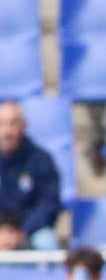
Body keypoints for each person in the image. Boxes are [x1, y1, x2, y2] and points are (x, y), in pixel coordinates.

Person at [0, 101, 62, 252]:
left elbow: (49, 204)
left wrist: (22, 232)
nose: (7, 132)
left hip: (30, 230)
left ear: (23, 125)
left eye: (13, 124)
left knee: (47, 244)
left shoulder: (41, 160)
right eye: (2, 124)